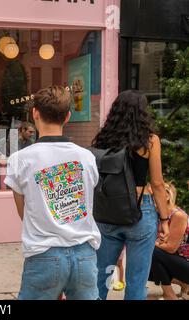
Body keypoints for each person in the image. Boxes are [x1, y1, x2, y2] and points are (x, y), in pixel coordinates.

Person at [5, 85, 101, 300]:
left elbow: (23, 213)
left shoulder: (20, 160)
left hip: (43, 255)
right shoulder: (87, 158)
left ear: (35, 114)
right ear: (67, 117)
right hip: (84, 254)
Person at [92, 90, 170, 300]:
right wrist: (164, 219)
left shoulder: (103, 139)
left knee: (101, 274)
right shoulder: (150, 141)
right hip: (140, 211)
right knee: (137, 280)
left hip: (108, 211)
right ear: (142, 113)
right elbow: (158, 183)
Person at [149, 182, 189, 300]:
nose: (150, 199)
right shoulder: (157, 215)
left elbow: (171, 248)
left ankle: (169, 294)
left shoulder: (178, 215)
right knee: (145, 261)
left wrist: (154, 242)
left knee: (153, 250)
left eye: (153, 195)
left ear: (166, 196)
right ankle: (183, 284)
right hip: (176, 261)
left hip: (185, 262)